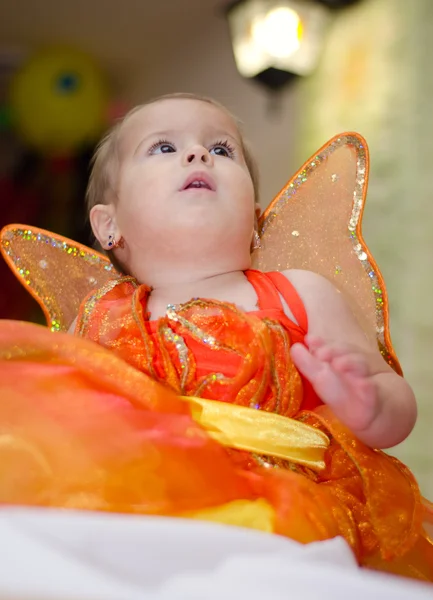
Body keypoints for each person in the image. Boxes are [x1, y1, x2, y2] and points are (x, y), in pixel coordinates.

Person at [0, 93, 432, 584]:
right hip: (144, 512)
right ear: (109, 225)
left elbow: (391, 399)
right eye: (163, 147)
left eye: (222, 150)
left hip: (281, 521)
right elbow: (57, 423)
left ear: (254, 216)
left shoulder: (299, 294)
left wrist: (373, 405)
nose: (198, 154)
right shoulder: (99, 318)